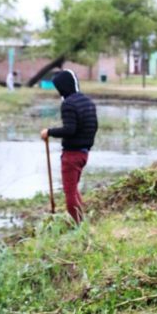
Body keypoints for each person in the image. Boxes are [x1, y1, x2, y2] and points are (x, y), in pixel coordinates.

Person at [40, 69, 98, 224]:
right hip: (84, 154)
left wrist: (49, 132)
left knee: (69, 192)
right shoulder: (87, 101)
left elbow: (69, 130)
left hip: (72, 155)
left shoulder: (68, 104)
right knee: (74, 189)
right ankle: (82, 221)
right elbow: (94, 126)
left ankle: (79, 226)